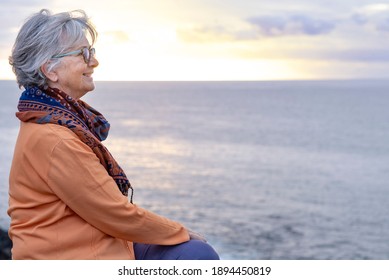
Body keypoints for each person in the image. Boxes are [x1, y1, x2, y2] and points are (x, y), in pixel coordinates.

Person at [7, 9, 219, 260]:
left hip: (90, 243)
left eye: (92, 52)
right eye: (83, 54)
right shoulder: (56, 138)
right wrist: (180, 231)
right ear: (50, 70)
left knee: (191, 252)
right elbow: (114, 213)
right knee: (196, 254)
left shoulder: (50, 122)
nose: (93, 62)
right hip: (72, 257)